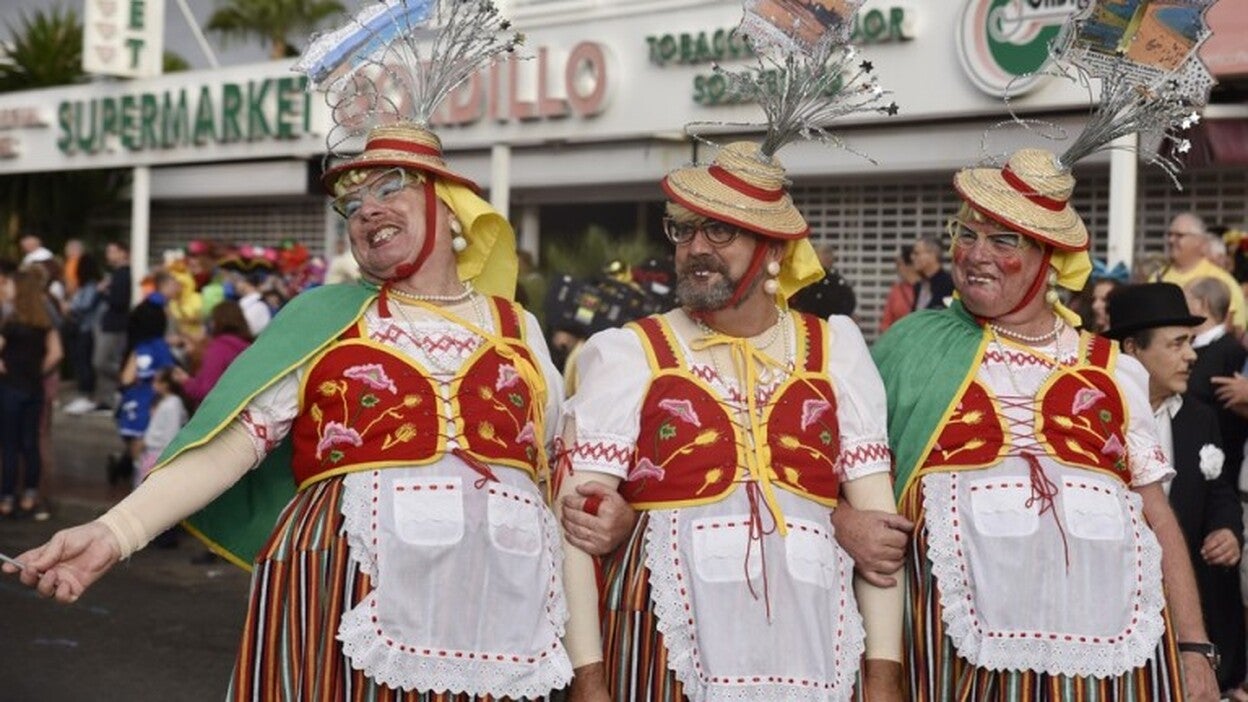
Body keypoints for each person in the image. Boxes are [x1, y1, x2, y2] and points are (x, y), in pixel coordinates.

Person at [3, 120, 572, 700]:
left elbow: (558, 474)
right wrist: (112, 533)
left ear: (453, 210)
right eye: (352, 205)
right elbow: (229, 443)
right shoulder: (326, 316)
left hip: (496, 608)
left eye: (389, 186)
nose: (366, 211)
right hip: (341, 592)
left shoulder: (517, 329)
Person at [871, 148, 1220, 700]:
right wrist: (848, 522)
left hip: (1110, 667)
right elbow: (840, 481)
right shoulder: (911, 345)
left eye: (1003, 241)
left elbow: (1158, 517)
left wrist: (1194, 647)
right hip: (952, 659)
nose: (975, 254)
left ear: (1049, 258)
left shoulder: (1113, 369)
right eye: (967, 234)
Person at [561, 140, 904, 701]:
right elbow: (577, 527)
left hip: (811, 646)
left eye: (720, 232)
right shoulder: (630, 352)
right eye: (685, 230)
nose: (697, 248)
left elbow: (880, 535)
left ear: (772, 247)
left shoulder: (834, 349)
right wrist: (590, 680)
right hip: (665, 650)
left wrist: (884, 677)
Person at [1105, 282, 1246, 696]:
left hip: (1188, 615)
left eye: (1191, 342)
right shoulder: (1096, 421)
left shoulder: (1200, 417)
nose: (1191, 355)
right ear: (1132, 349)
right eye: (1177, 344)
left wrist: (1227, 530)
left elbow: (1218, 489)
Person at [0, 268, 64, 518]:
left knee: (9, 445)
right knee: (31, 444)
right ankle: (29, 495)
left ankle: (6, 498)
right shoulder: (43, 324)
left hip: (10, 388)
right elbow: (57, 353)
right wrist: (39, 371)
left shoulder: (11, 324)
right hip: (34, 388)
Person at [1183, 276, 1248, 493]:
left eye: (1186, 301)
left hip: (1221, 469)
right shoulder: (1190, 347)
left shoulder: (1231, 351)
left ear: (1203, 305)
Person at [1153, 213, 1247, 330]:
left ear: (1199, 241)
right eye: (1169, 234)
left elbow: (1228, 329)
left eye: (1179, 235)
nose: (1171, 240)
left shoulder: (1221, 280)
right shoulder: (1158, 276)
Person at [172, 300, 253, 411]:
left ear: (217, 322)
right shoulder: (249, 346)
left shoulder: (219, 349)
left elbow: (207, 391)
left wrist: (185, 381)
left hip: (222, 414)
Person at [61, 253, 104, 415]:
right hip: (84, 329)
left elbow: (84, 305)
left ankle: (86, 395)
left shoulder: (90, 286)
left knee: (83, 363)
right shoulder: (89, 286)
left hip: (86, 329)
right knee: (82, 362)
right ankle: (85, 394)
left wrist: (70, 307)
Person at [92, 240, 131, 413]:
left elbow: (119, 301)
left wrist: (104, 291)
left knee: (102, 361)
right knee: (102, 361)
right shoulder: (115, 274)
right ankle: (106, 399)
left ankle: (127, 378)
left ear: (123, 253)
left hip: (116, 325)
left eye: (112, 251)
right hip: (109, 323)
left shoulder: (124, 274)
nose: (109, 255)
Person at [788, 241, 857, 318]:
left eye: (829, 253)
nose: (827, 257)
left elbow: (849, 302)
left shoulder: (838, 281)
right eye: (824, 253)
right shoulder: (807, 279)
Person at [878, 244, 917, 334]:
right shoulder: (896, 290)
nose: (897, 268)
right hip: (899, 341)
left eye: (899, 264)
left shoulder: (926, 288)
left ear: (911, 265)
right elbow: (885, 322)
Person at [910, 234, 953, 311]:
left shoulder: (949, 284)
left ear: (932, 255)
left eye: (917, 253)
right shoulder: (919, 285)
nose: (912, 257)